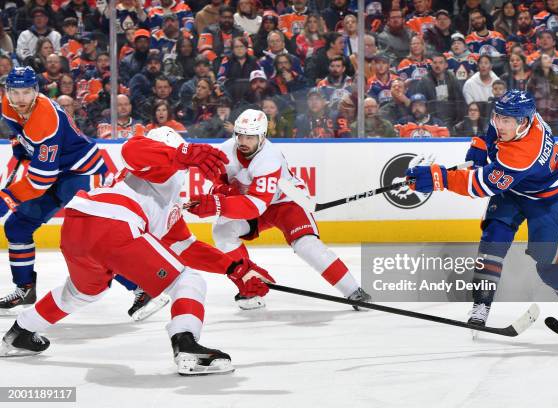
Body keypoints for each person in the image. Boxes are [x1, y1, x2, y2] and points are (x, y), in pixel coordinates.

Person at [0, 127, 275, 377]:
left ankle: (20, 332)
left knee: (82, 292)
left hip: (78, 227)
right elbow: (132, 150)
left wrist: (234, 269)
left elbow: (186, 247)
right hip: (115, 224)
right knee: (188, 282)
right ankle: (187, 345)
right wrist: (183, 154)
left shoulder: (162, 195)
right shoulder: (155, 166)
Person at [405, 89, 558, 328]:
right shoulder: (519, 119)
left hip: (548, 199)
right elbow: (493, 130)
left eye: (505, 120)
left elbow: (479, 185)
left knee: (549, 265)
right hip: (512, 191)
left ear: (523, 123)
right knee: (492, 243)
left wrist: (438, 178)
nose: (499, 124)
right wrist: (480, 144)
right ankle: (481, 304)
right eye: (497, 117)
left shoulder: (523, 154)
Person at [187, 109, 371, 310]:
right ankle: (249, 284)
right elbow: (218, 183)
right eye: (240, 135)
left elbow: (255, 205)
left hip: (286, 203)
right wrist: (220, 190)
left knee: (306, 245)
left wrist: (219, 204)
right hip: (251, 201)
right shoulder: (225, 152)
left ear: (262, 137)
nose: (243, 141)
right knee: (222, 231)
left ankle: (354, 290)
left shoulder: (268, 158)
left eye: (250, 137)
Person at [0, 66, 105, 312]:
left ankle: (140, 287)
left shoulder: (45, 119)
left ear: (36, 91)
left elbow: (39, 181)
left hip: (81, 172)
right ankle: (24, 288)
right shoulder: (7, 105)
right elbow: (20, 132)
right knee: (17, 227)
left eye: (26, 92)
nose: (20, 99)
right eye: (15, 93)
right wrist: (21, 144)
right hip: (55, 170)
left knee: (92, 239)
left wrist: (8, 197)